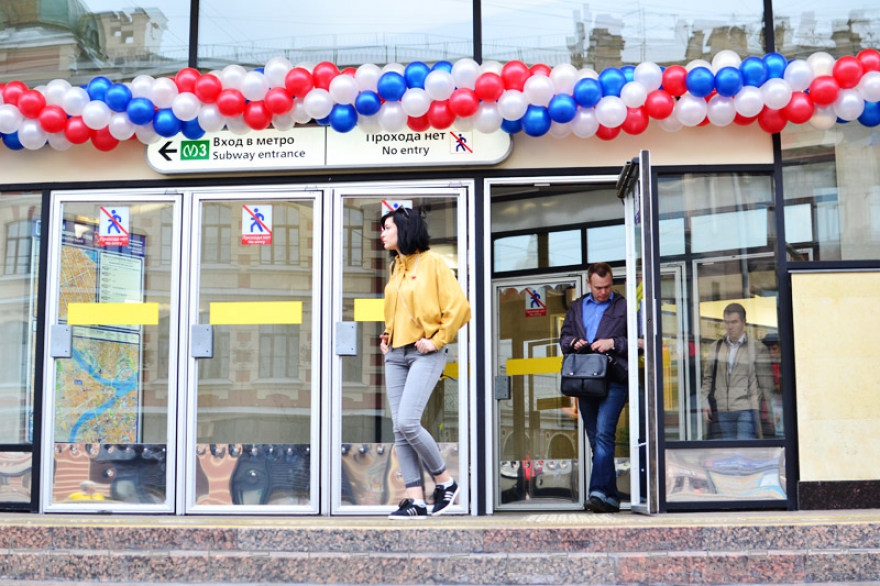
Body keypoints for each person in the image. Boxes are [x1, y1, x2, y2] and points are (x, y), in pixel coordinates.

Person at [379, 205, 471, 520]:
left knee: (408, 421)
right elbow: (399, 308)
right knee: (399, 430)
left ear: (403, 230)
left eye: (387, 228)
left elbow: (459, 307)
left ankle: (445, 480)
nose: (382, 233)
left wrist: (438, 339)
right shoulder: (395, 267)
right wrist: (387, 334)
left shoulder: (432, 263)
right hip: (396, 354)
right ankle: (415, 500)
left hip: (425, 352)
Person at [559, 262, 628, 514]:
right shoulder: (577, 307)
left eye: (608, 286)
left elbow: (638, 341)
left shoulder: (623, 305)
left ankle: (597, 492)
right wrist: (574, 342)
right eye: (598, 287)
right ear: (589, 283)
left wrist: (613, 342)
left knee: (603, 436)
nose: (603, 292)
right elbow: (563, 338)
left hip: (614, 379)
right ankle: (611, 497)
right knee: (595, 440)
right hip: (586, 380)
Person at [700, 303, 775, 440]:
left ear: (743, 322)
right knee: (729, 452)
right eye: (727, 322)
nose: (730, 327)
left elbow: (766, 384)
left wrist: (770, 413)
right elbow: (708, 378)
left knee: (744, 450)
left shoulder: (757, 348)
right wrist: (704, 403)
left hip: (747, 408)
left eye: (734, 322)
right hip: (723, 408)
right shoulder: (715, 347)